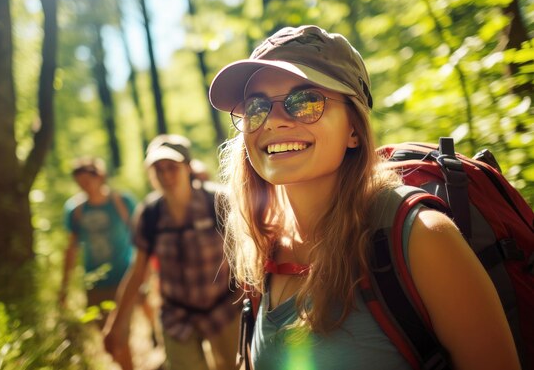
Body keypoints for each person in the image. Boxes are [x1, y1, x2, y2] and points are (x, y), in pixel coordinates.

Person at [207, 25, 520, 370]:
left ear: (354, 130)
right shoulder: (263, 247)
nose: (274, 122)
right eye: (257, 106)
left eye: (306, 101)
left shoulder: (421, 238)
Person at [104, 134, 241, 370]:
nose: (165, 175)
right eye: (158, 169)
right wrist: (116, 324)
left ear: (188, 167)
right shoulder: (149, 214)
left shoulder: (218, 202)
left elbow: (247, 255)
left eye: (172, 167)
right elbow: (138, 272)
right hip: (177, 316)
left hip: (226, 309)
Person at [60, 156, 137, 369]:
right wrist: (64, 286)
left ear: (100, 177)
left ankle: (153, 341)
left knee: (120, 336)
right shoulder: (75, 210)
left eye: (87, 180)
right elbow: (72, 248)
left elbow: (140, 237)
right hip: (95, 283)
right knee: (108, 340)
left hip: (125, 277)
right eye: (79, 182)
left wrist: (146, 270)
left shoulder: (122, 202)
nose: (84, 186)